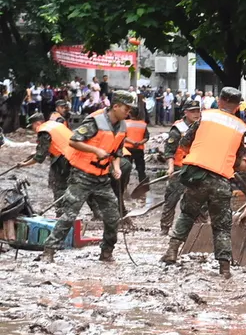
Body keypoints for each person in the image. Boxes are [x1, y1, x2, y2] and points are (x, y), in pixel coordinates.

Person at [161, 87, 246, 279]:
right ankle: (224, 268)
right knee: (222, 225)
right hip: (221, 179)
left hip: (197, 175)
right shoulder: (241, 127)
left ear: (220, 100)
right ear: (237, 105)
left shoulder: (206, 116)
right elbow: (240, 160)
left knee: (187, 213)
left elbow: (184, 144)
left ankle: (172, 251)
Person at [41, 91, 136, 264]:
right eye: (126, 108)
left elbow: (117, 151)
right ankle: (49, 251)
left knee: (113, 217)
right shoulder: (95, 121)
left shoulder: (122, 126)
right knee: (69, 215)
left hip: (102, 179)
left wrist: (116, 167)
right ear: (115, 106)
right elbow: (74, 141)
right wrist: (95, 150)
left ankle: (106, 252)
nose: (128, 112)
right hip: (82, 176)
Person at [16, 112, 76, 214]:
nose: (33, 130)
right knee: (82, 184)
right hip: (75, 155)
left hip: (64, 159)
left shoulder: (44, 131)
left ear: (38, 123)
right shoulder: (54, 125)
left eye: (32, 126)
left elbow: (39, 157)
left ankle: (60, 212)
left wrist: (23, 164)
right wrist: (34, 154)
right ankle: (96, 212)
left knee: (58, 185)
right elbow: (52, 145)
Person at [159, 100, 202, 235]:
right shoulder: (178, 129)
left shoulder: (202, 127)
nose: (196, 114)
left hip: (195, 168)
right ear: (186, 112)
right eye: (192, 111)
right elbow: (169, 151)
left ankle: (199, 228)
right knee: (171, 199)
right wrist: (170, 167)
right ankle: (165, 228)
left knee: (199, 200)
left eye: (197, 111)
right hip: (179, 168)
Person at [123, 115, 150, 185]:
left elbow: (122, 136)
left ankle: (124, 187)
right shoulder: (143, 124)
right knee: (141, 169)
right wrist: (139, 143)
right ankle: (143, 187)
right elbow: (147, 137)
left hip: (127, 150)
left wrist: (132, 142)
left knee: (126, 170)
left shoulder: (125, 123)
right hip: (139, 149)